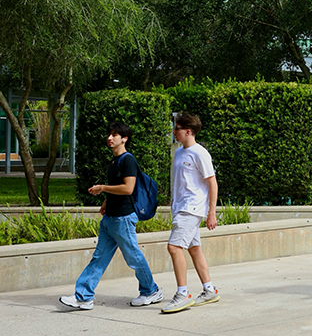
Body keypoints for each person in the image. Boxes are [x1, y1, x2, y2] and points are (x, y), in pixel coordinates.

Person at [60, 122, 161, 311]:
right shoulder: (115, 160)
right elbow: (118, 187)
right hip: (111, 219)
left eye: (115, 135)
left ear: (124, 138)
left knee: (133, 257)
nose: (110, 137)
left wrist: (102, 188)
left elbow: (128, 188)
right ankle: (83, 297)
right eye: (109, 134)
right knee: (98, 257)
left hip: (123, 218)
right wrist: (106, 201)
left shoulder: (127, 160)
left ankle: (151, 291)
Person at [161, 114, 221, 313]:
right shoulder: (179, 152)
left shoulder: (200, 153)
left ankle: (182, 294)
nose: (174, 132)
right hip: (181, 208)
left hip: (192, 208)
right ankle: (209, 290)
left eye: (177, 128)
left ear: (188, 131)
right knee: (194, 249)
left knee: (174, 247)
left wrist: (211, 212)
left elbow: (212, 183)